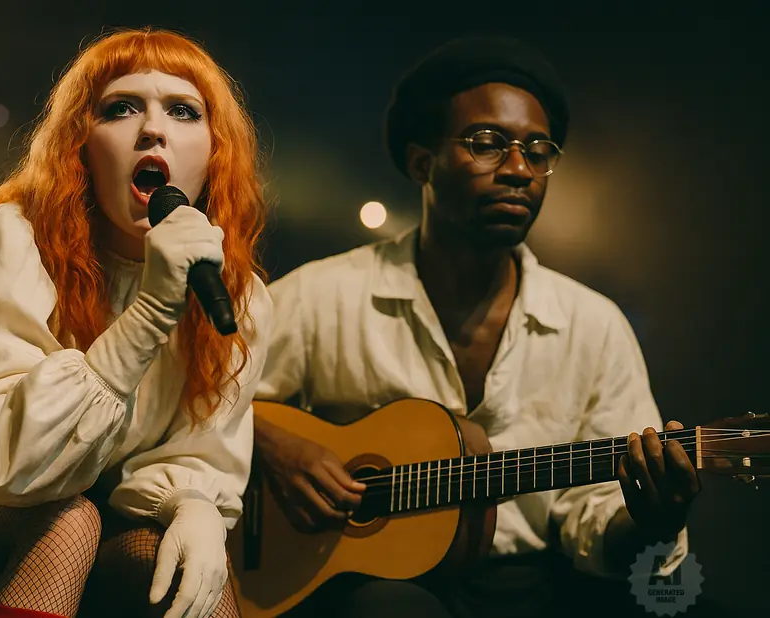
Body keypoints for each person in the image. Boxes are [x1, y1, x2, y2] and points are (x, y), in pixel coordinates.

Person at [0, 28, 273, 618]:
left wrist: (193, 503)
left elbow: (199, 453)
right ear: (81, 142)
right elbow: (11, 467)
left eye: (183, 111)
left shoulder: (237, 295)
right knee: (66, 521)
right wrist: (151, 312)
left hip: (99, 519)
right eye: (122, 108)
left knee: (167, 558)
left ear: (216, 152)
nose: (153, 129)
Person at [254, 36, 701, 617]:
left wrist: (650, 521)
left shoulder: (593, 326)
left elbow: (598, 527)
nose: (519, 170)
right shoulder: (323, 295)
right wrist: (270, 443)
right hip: (365, 584)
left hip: (533, 587)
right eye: (488, 144)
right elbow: (196, 395)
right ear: (422, 163)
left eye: (539, 151)